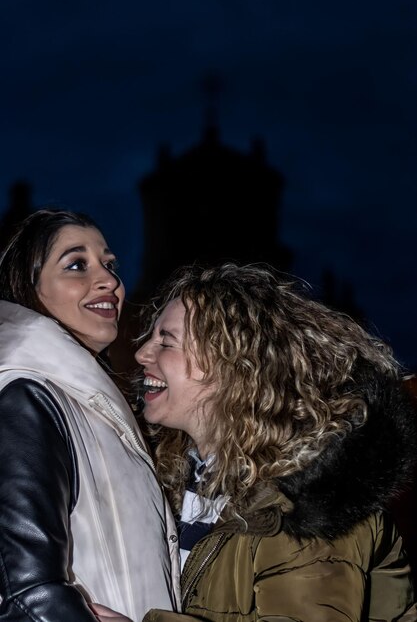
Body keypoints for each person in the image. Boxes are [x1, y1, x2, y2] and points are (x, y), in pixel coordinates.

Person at [96, 261, 417, 621]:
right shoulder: (179, 479)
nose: (142, 353)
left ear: (233, 366)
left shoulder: (311, 505)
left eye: (166, 341)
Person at [0, 209, 180, 621]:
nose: (110, 282)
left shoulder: (89, 404)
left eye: (109, 265)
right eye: (76, 265)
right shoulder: (26, 397)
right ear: (27, 288)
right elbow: (25, 594)